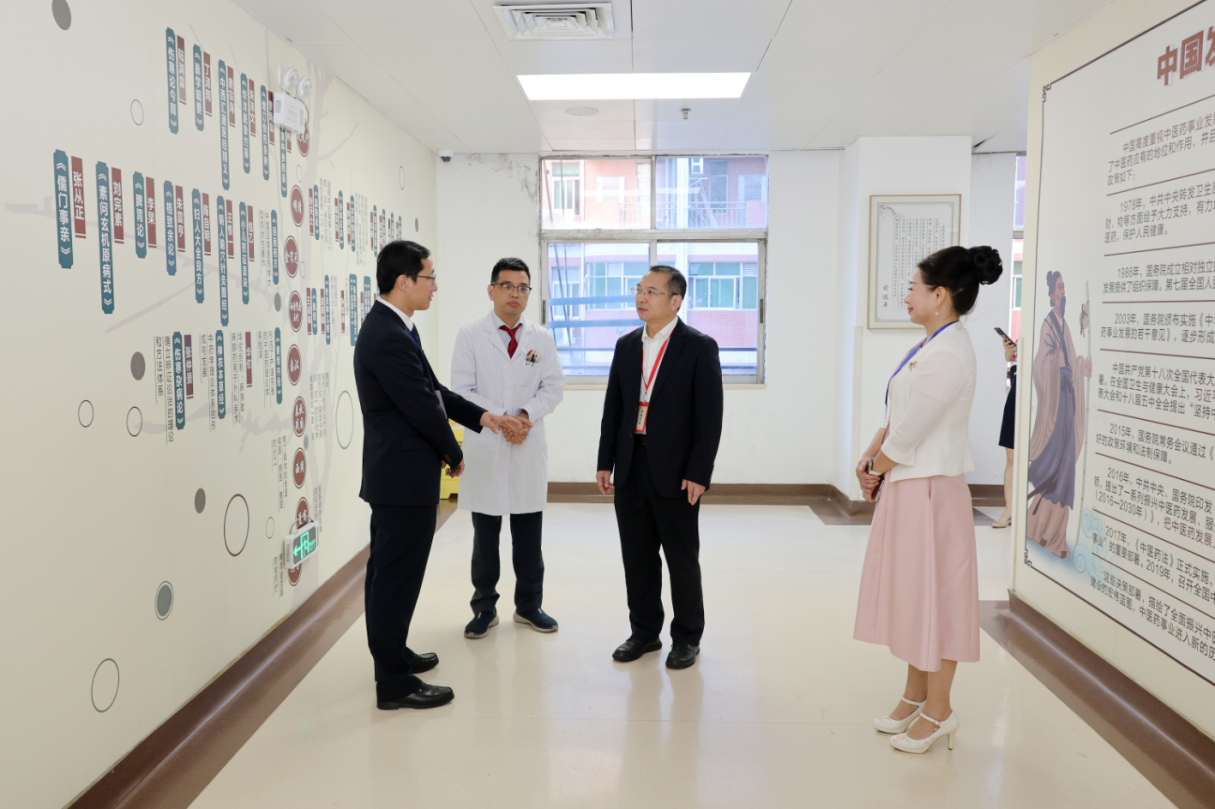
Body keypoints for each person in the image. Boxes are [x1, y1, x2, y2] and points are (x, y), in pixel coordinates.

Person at [353, 240, 520, 710]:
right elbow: (422, 406)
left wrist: (482, 416)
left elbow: (435, 392)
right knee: (395, 578)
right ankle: (394, 682)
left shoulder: (395, 326)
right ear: (403, 281)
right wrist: (453, 452)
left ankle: (392, 653)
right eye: (429, 278)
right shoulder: (388, 334)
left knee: (390, 574)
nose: (434, 287)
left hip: (398, 474)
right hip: (402, 477)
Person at [854, 245, 1003, 754]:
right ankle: (915, 694)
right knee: (915, 593)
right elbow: (898, 417)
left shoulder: (948, 353)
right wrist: (871, 455)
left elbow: (911, 432)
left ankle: (940, 710)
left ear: (940, 296)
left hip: (932, 490)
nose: (906, 296)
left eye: (913, 288)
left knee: (937, 597)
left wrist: (874, 468)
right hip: (911, 485)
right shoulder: (932, 345)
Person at [596, 265, 724, 670]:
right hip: (631, 463)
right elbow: (614, 408)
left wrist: (699, 472)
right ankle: (644, 632)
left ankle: (687, 637)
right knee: (637, 557)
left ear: (675, 300)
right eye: (639, 289)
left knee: (681, 559)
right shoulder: (626, 345)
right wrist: (605, 461)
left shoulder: (699, 346)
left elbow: (709, 417)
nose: (641, 297)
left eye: (651, 291)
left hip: (676, 470)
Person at [450, 258, 566, 639]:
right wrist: (502, 419)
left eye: (522, 287)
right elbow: (461, 391)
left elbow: (553, 387)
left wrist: (525, 416)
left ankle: (529, 607)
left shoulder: (541, 338)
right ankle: (484, 608)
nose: (515, 293)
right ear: (491, 290)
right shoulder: (470, 335)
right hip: (488, 442)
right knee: (485, 539)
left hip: (527, 444)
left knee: (529, 537)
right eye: (507, 286)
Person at [1026, 271, 1091, 558]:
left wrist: (1082, 366)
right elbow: (1039, 364)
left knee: (1066, 470)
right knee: (1054, 467)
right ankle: (1038, 528)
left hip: (1068, 398)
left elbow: (1072, 359)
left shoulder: (1064, 324)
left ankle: (1055, 538)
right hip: (1056, 402)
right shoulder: (1047, 325)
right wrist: (1050, 362)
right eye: (1060, 288)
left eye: (1064, 288)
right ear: (1052, 293)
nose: (1063, 292)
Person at [992, 335, 1018, 529]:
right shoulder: (1026, 329)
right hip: (1017, 391)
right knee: (1012, 457)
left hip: (1042, 391)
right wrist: (1009, 350)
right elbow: (1010, 359)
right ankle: (1009, 510)